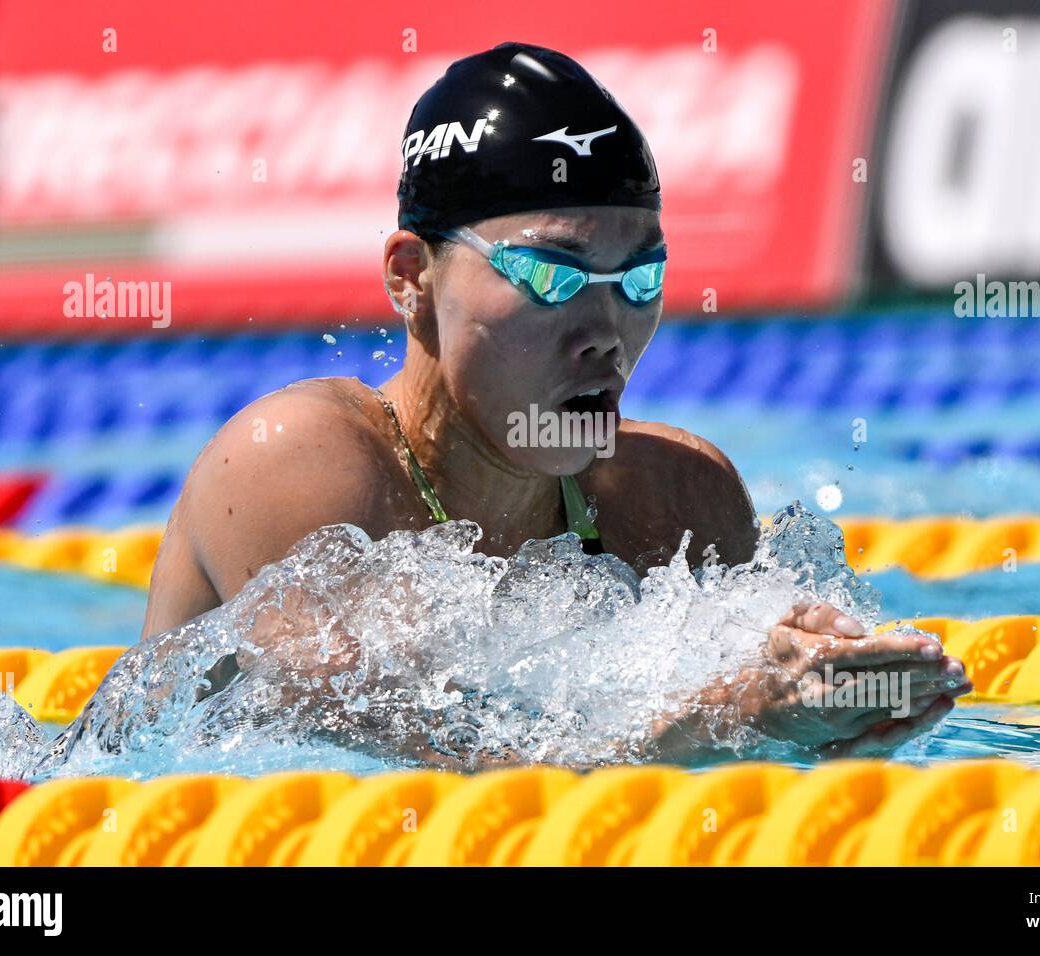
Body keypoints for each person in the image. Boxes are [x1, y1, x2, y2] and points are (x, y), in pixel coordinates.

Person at [140, 41, 970, 760]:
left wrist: (834, 701)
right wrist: (722, 718)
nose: (606, 331)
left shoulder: (676, 501)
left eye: (638, 278)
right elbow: (421, 773)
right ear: (410, 277)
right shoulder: (299, 468)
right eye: (550, 275)